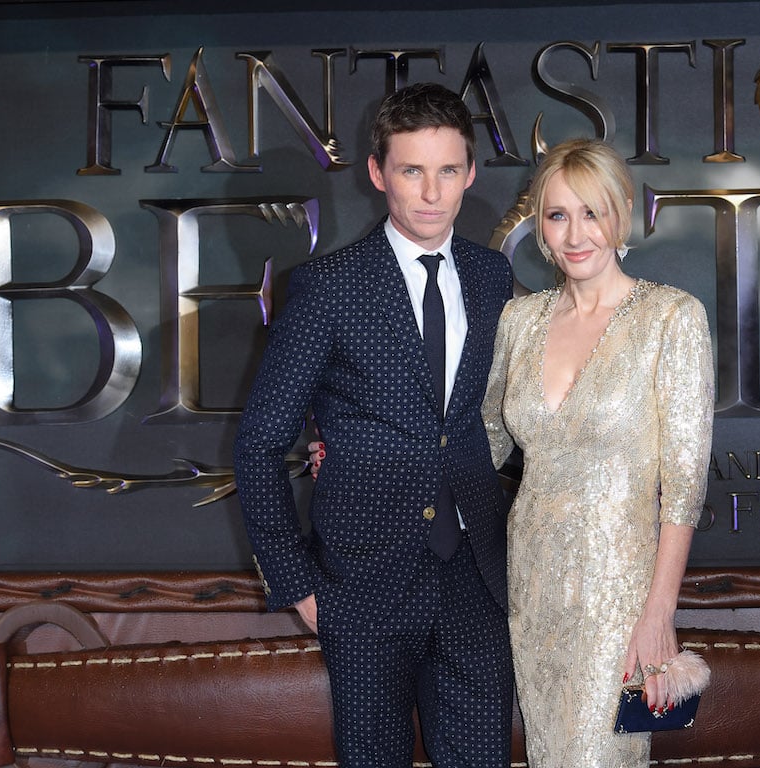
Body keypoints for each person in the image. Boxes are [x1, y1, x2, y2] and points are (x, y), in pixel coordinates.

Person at [233, 82, 514, 768]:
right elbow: (259, 443)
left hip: (476, 581)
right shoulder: (329, 287)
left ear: (470, 174)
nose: (431, 193)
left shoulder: (492, 277)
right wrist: (297, 584)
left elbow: (506, 419)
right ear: (378, 172)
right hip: (361, 586)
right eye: (412, 170)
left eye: (447, 170)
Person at [481, 138, 714, 767]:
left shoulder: (671, 318)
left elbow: (684, 484)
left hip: (620, 591)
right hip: (532, 584)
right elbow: (480, 443)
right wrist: (361, 450)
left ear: (622, 214)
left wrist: (659, 611)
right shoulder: (519, 321)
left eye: (592, 212)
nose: (575, 234)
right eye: (557, 215)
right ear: (539, 224)